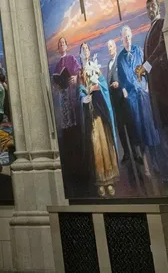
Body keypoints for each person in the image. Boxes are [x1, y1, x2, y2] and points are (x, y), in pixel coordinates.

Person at [140, 0, 168, 183]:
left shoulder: (162, 24)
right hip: (155, 89)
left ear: (158, 7)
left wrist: (146, 65)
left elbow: (162, 47)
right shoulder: (149, 31)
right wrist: (142, 70)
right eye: (148, 7)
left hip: (164, 86)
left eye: (153, 6)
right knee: (165, 128)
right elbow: (147, 59)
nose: (151, 9)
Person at [116, 25, 160, 178]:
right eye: (124, 37)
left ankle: (156, 163)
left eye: (129, 36)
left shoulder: (139, 51)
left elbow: (146, 68)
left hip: (143, 94)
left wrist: (146, 85)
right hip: (133, 99)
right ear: (121, 39)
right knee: (139, 130)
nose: (127, 39)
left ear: (131, 36)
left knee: (149, 128)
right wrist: (125, 90)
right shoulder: (120, 58)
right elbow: (122, 79)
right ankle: (146, 165)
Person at [78, 43, 119, 197]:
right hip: (91, 113)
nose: (85, 51)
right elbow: (80, 92)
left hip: (100, 110)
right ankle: (101, 182)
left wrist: (97, 86)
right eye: (83, 49)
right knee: (96, 145)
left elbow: (104, 85)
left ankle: (110, 180)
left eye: (87, 48)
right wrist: (85, 95)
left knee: (105, 143)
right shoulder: (80, 72)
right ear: (80, 54)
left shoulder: (95, 67)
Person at [52, 36, 87, 196]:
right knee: (67, 136)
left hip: (73, 97)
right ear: (58, 48)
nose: (61, 45)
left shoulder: (72, 58)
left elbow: (79, 73)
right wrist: (57, 86)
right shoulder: (57, 65)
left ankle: (81, 168)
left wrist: (75, 78)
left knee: (76, 132)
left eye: (63, 43)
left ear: (66, 46)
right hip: (64, 100)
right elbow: (56, 84)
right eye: (59, 44)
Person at [106, 39, 140, 165]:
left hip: (124, 97)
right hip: (115, 100)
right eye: (108, 47)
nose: (110, 49)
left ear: (115, 47)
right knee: (120, 127)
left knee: (130, 125)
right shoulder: (109, 64)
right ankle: (126, 153)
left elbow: (126, 76)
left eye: (111, 46)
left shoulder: (120, 60)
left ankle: (136, 153)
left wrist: (118, 84)